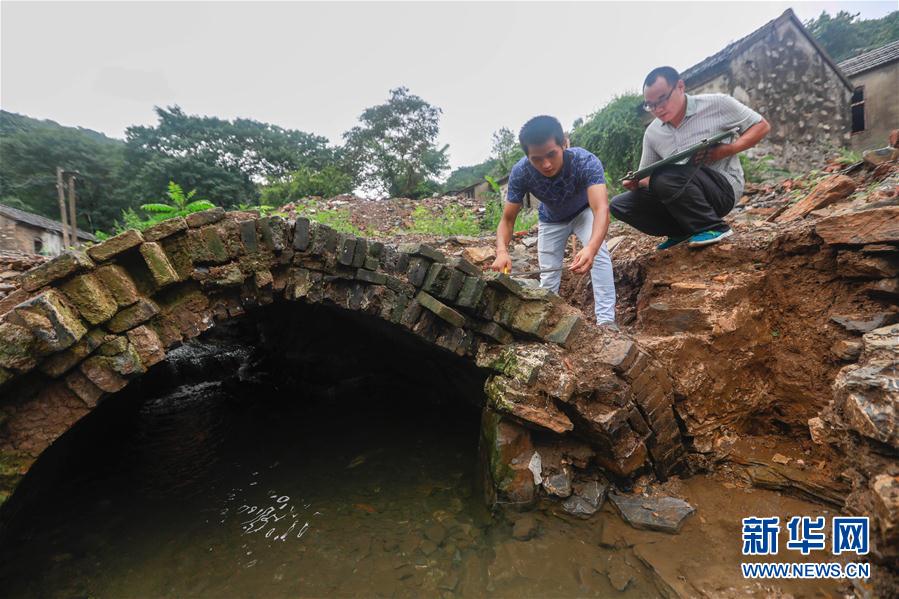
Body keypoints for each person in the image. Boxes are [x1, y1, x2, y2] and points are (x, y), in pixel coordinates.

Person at [610, 66, 770, 249]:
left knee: (665, 176)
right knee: (620, 204)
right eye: (651, 105)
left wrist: (727, 149)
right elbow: (648, 176)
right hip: (680, 196)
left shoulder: (717, 104)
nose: (658, 109)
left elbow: (761, 126)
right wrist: (636, 183)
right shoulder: (652, 133)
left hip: (722, 189)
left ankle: (713, 227)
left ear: (680, 86)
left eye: (662, 99)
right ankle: (681, 231)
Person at [490, 115, 616, 326]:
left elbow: (601, 208)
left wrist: (591, 248)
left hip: (584, 212)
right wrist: (502, 251)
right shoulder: (521, 172)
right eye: (536, 159)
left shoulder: (585, 161)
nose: (546, 164)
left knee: (600, 255)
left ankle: (606, 322)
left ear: (563, 144)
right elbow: (508, 219)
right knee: (548, 278)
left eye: (551, 154)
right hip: (551, 220)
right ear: (527, 157)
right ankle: (547, 325)